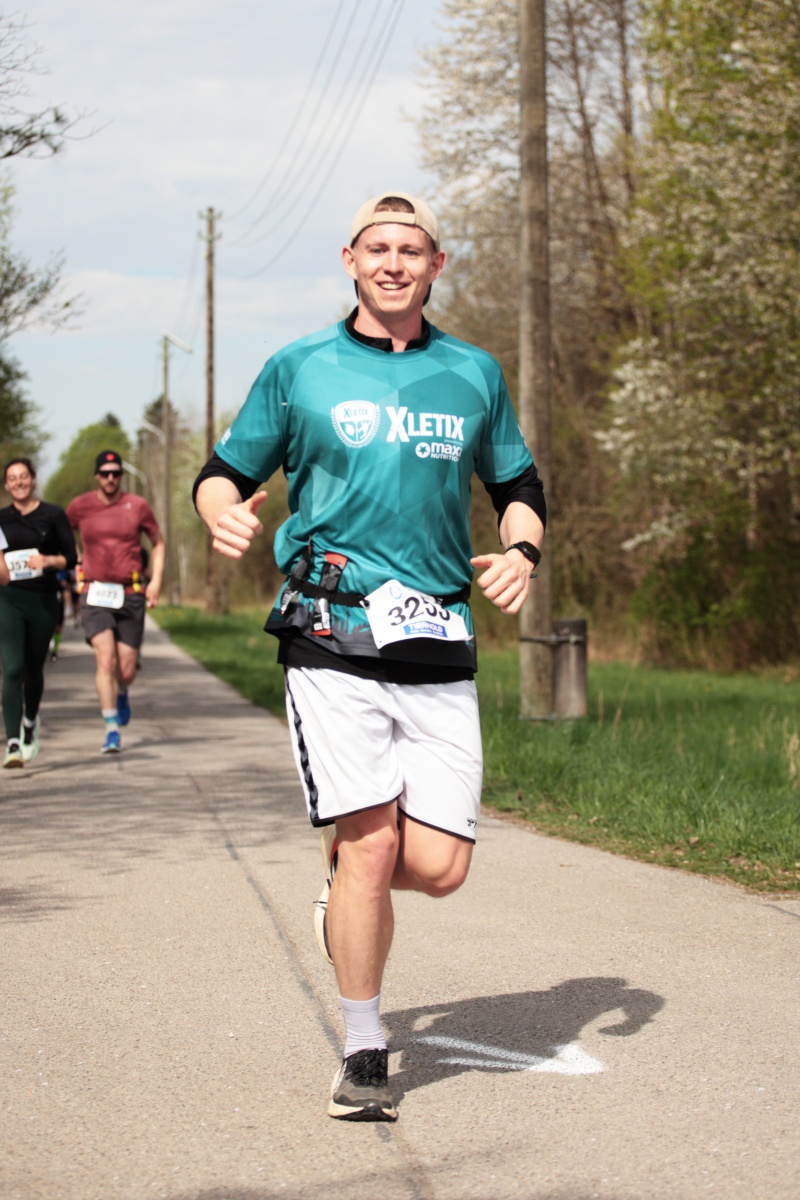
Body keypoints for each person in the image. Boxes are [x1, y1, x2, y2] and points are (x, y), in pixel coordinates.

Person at [193, 192, 546, 1121]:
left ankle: (345, 888)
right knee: (373, 841)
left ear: (437, 265)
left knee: (438, 867)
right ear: (350, 259)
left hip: (436, 635)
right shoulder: (300, 367)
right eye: (378, 248)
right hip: (328, 630)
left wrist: (522, 550)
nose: (394, 264)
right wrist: (220, 513)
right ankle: (363, 1051)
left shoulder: (473, 372)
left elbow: (517, 483)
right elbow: (223, 473)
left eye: (412, 250)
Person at [66, 451, 165, 753]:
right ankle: (111, 731)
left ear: (121, 475)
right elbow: (62, 534)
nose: (111, 478)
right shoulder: (80, 506)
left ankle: (122, 689)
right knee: (105, 660)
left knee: (126, 671)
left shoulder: (137, 506)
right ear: (97, 476)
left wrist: (155, 581)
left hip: (130, 593)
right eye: (105, 473)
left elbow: (158, 542)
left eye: (116, 473)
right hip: (94, 593)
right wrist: (75, 559)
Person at [0, 458, 78, 767]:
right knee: (12, 669)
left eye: (23, 476)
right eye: (12, 478)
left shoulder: (53, 514)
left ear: (33, 480)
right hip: (8, 600)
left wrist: (49, 561)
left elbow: (70, 557)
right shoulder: (1, 518)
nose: (18, 482)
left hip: (43, 600)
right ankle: (13, 743)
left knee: (33, 671)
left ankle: (30, 722)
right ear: (6, 485)